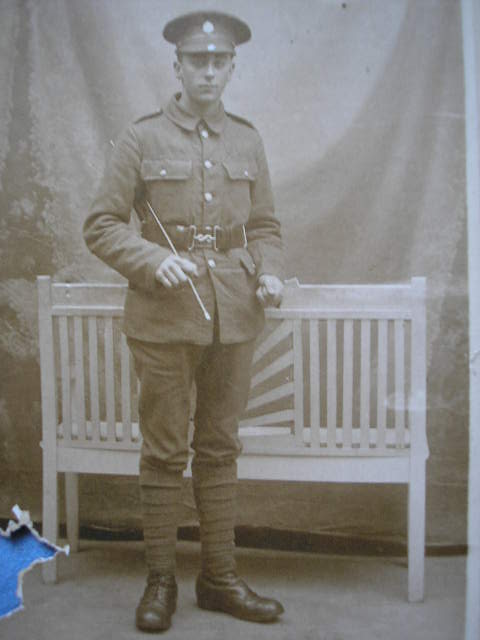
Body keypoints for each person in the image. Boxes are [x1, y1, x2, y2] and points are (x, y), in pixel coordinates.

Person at [83, 10, 285, 633]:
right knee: (165, 451)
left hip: (234, 317)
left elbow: (266, 228)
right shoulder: (140, 138)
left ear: (231, 68)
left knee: (220, 447)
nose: (207, 70)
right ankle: (161, 581)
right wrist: (151, 259)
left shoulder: (247, 140)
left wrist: (270, 271)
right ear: (176, 67)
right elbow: (101, 225)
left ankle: (219, 579)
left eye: (218, 61)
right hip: (163, 319)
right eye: (196, 61)